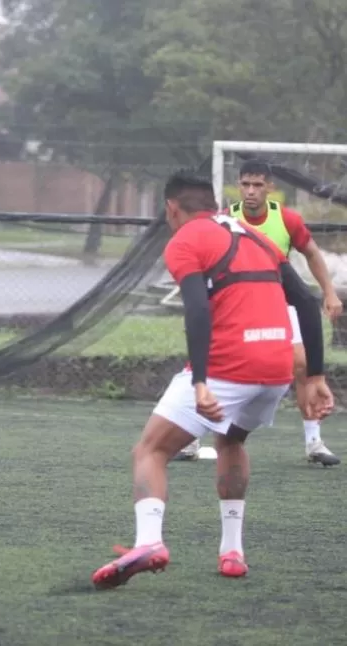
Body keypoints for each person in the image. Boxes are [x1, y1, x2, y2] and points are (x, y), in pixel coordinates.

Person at [92, 171, 334, 590]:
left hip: (229, 366)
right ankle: (232, 552)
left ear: (172, 208)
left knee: (149, 449)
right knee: (232, 440)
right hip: (277, 366)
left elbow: (196, 312)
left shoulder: (184, 240)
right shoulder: (253, 236)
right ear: (215, 204)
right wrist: (314, 375)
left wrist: (201, 380)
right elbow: (308, 303)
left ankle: (149, 542)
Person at [174, 159, 342, 466]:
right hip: (237, 306)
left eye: (258, 185)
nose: (251, 191)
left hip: (280, 303)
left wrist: (329, 292)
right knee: (208, 362)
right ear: (238, 186)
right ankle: (188, 435)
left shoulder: (287, 220)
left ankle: (314, 442)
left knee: (303, 365)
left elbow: (313, 254)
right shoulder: (225, 219)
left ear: (270, 188)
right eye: (245, 184)